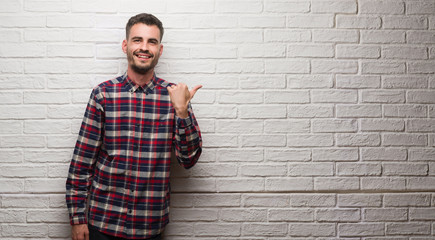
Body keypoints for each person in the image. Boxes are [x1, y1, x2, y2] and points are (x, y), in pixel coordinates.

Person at [65, 13, 202, 240]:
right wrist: (77, 218)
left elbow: (189, 161)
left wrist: (182, 112)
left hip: (150, 226)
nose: (144, 47)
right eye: (138, 40)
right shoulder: (103, 94)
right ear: (125, 45)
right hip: (103, 223)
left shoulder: (175, 97)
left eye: (152, 42)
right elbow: (82, 162)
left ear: (160, 50)